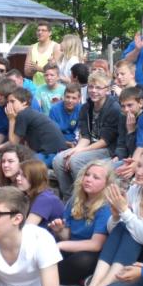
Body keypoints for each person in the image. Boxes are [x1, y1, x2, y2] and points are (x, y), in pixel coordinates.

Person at [76, 142, 143, 286]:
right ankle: (94, 285)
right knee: (124, 226)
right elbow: (113, 230)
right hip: (133, 251)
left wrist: (124, 211)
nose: (139, 172)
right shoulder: (135, 189)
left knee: (131, 229)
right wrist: (116, 216)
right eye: (139, 166)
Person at [51, 72, 122, 200]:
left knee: (75, 160)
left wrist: (79, 152)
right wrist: (75, 150)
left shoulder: (114, 108)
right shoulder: (86, 107)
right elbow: (85, 136)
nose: (94, 91)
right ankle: (69, 197)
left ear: (107, 90)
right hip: (90, 145)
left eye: (98, 88)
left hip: (107, 149)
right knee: (58, 160)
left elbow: (105, 141)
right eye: (91, 87)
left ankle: (84, 197)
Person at [47, 160, 115, 285]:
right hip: (72, 248)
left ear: (107, 184)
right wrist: (60, 230)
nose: (88, 179)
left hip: (91, 253)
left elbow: (96, 245)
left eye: (96, 177)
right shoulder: (76, 200)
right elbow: (67, 236)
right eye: (87, 175)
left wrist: (61, 245)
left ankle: (48, 276)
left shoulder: (105, 207)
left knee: (83, 260)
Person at [6, 87, 66, 167]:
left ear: (24, 102)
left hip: (51, 154)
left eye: (12, 101)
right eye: (8, 102)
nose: (9, 105)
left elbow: (13, 143)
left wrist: (11, 120)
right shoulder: (29, 113)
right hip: (55, 151)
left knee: (21, 167)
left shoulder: (23, 114)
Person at [14, 159, 64, 227]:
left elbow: (27, 228)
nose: (18, 178)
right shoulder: (29, 196)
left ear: (35, 178)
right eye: (18, 174)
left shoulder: (45, 199)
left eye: (24, 176)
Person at [113, 86, 143, 181]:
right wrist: (118, 156)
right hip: (125, 157)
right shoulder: (123, 116)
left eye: (130, 105)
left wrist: (131, 131)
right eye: (123, 106)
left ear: (140, 103)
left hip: (138, 159)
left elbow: (137, 148)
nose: (126, 109)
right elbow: (121, 142)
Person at [49, 83, 83, 148]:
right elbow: (52, 134)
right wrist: (67, 144)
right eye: (67, 97)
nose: (70, 101)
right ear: (63, 96)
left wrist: (78, 145)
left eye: (74, 98)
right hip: (58, 142)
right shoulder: (54, 110)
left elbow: (82, 132)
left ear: (79, 99)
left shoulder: (82, 110)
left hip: (77, 143)